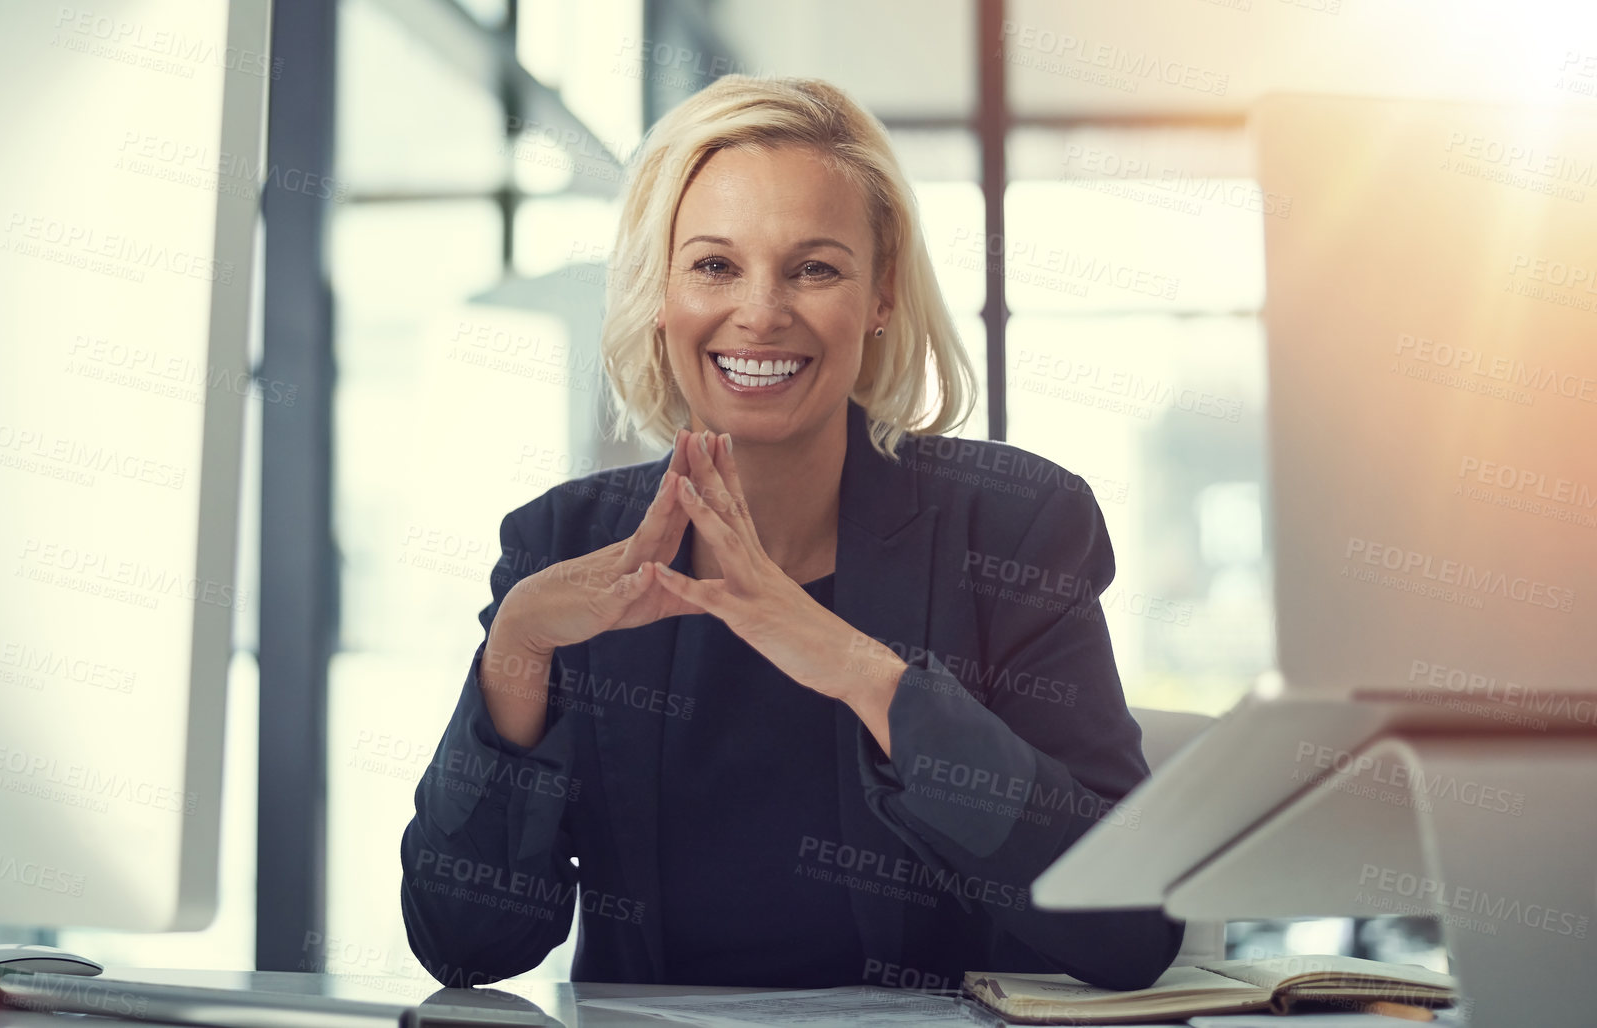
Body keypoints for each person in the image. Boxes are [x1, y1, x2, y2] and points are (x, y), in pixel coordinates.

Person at [399, 73, 1184, 991]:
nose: (761, 312)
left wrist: (859, 669)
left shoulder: (1014, 526)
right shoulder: (560, 542)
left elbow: (1126, 932)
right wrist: (519, 643)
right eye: (714, 265)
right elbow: (465, 946)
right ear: (662, 292)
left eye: (814, 267)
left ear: (882, 294)